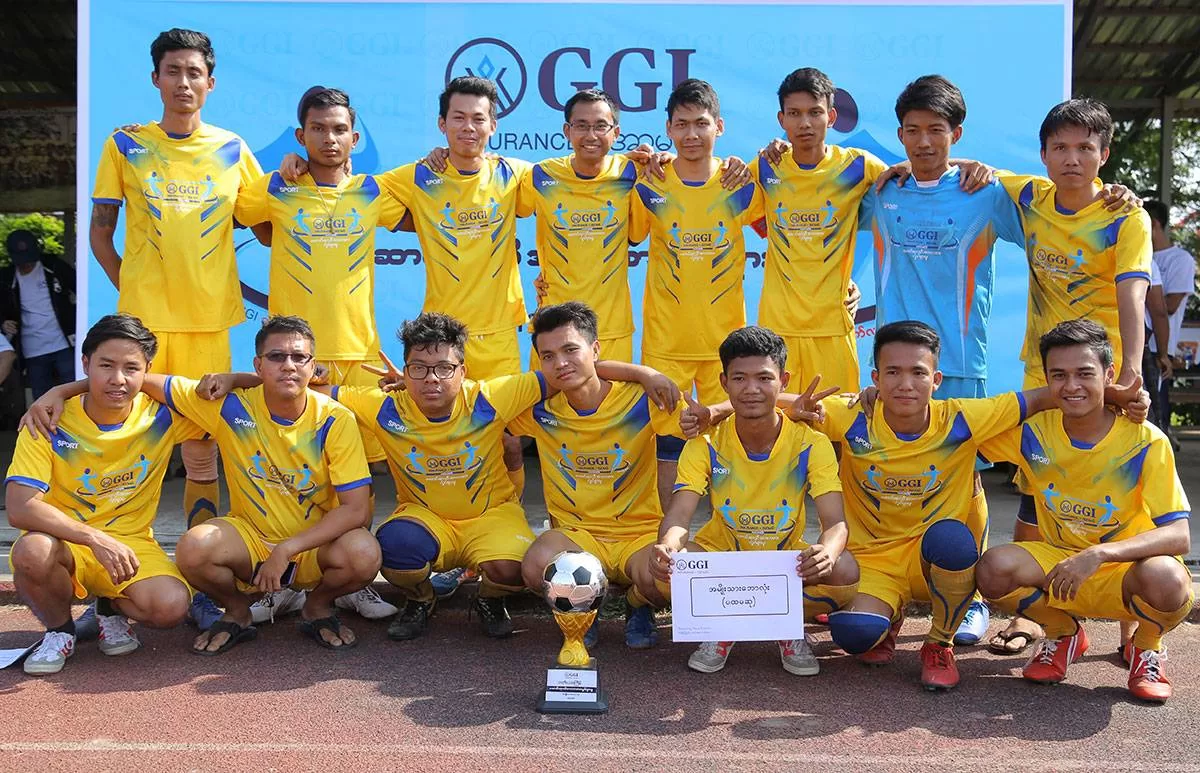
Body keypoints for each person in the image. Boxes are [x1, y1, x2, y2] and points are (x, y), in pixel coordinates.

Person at [813, 320, 1142, 691]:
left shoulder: (962, 419)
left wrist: (1111, 395)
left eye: (918, 372)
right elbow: (784, 405)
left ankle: (940, 644)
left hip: (932, 559)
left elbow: (1040, 398)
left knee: (953, 541)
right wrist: (755, 405)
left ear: (936, 380)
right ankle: (888, 618)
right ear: (875, 377)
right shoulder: (853, 414)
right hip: (874, 563)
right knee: (854, 634)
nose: (905, 384)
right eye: (893, 372)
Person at [88, 30, 267, 629]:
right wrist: (133, 295)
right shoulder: (125, 144)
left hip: (209, 325)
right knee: (121, 448)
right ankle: (109, 588)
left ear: (210, 83)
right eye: (173, 71)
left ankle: (202, 582)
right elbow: (100, 234)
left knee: (202, 452)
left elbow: (266, 221)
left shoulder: (233, 148)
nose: (184, 82)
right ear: (156, 79)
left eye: (194, 72)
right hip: (144, 330)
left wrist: (292, 168)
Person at [859, 75, 1028, 646]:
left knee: (964, 480)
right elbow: (811, 193)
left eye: (936, 130)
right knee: (889, 474)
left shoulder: (987, 192)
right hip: (894, 366)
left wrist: (1112, 196)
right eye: (912, 130)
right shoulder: (882, 191)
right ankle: (889, 586)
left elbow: (1053, 214)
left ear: (957, 133)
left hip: (958, 362)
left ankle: (968, 594)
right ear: (900, 134)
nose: (924, 141)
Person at [234, 86, 405, 623]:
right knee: (295, 468)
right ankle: (283, 578)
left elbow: (433, 198)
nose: (329, 139)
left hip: (360, 356)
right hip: (295, 358)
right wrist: (282, 172)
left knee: (361, 474)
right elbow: (247, 217)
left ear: (354, 138)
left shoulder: (374, 190)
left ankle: (353, 582)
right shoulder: (278, 187)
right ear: (300, 135)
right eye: (318, 129)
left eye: (339, 129)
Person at [989, 98, 1153, 653]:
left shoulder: (1125, 217)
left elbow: (1133, 295)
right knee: (1037, 481)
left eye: (1085, 147)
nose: (1072, 158)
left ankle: (1136, 629)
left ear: (1104, 154)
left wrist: (1130, 373)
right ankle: (1042, 623)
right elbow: (969, 169)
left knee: (1119, 485)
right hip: (1043, 374)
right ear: (1043, 154)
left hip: (1106, 375)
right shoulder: (1030, 197)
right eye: (1060, 147)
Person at [976, 319, 1191, 703]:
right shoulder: (1032, 432)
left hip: (1123, 571)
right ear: (1045, 379)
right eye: (1058, 375)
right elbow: (958, 429)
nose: (1071, 385)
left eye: (1084, 374)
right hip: (1059, 564)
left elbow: (1179, 535)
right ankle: (1063, 635)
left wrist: (1100, 554)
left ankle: (1146, 647)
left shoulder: (1145, 440)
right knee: (992, 569)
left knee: (1168, 578)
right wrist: (877, 401)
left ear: (1109, 375)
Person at [647, 326, 859, 675]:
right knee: (670, 569)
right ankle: (726, 627)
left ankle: (785, 625)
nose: (751, 389)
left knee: (845, 569)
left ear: (783, 381)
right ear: (724, 382)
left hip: (785, 564)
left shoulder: (811, 443)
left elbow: (834, 522)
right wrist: (668, 545)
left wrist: (827, 552)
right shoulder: (705, 444)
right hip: (723, 560)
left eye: (764, 378)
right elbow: (680, 515)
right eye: (739, 378)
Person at [7, 314, 204, 674]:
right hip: (67, 543)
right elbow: (20, 507)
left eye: (132, 368)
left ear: (148, 371)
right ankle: (60, 631)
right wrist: (94, 539)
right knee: (31, 551)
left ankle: (109, 610)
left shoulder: (162, 416)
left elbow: (239, 398)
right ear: (86, 364)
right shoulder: (47, 420)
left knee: (170, 607)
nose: (118, 379)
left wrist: (64, 387)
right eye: (106, 366)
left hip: (132, 544)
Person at [513, 302, 685, 649]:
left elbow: (705, 424)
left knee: (677, 578)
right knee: (534, 566)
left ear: (595, 349)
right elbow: (476, 409)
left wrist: (644, 375)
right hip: (577, 536)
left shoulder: (644, 400)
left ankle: (638, 602)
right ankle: (583, 610)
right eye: (548, 356)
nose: (560, 363)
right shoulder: (537, 408)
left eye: (570, 350)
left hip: (639, 534)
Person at [628, 78, 760, 507]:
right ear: (668, 128)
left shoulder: (741, 183)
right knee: (669, 445)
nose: (691, 134)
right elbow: (626, 234)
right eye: (681, 124)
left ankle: (730, 533)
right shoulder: (650, 183)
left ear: (719, 126)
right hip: (667, 341)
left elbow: (791, 233)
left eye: (701, 123)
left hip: (726, 342)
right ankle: (669, 535)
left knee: (731, 440)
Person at [1, 229, 76, 399]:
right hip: (31, 349)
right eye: (21, 261)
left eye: (30, 259)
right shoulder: (6, 278)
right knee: (41, 399)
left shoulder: (54, 267)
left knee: (74, 391)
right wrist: (3, 322)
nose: (26, 264)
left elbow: (81, 289)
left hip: (63, 343)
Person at [1144, 199, 1196, 442]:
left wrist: (1143, 297)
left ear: (1154, 224)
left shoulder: (1180, 259)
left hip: (1158, 348)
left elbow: (1170, 306)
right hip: (1137, 344)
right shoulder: (1135, 252)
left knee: (1154, 412)